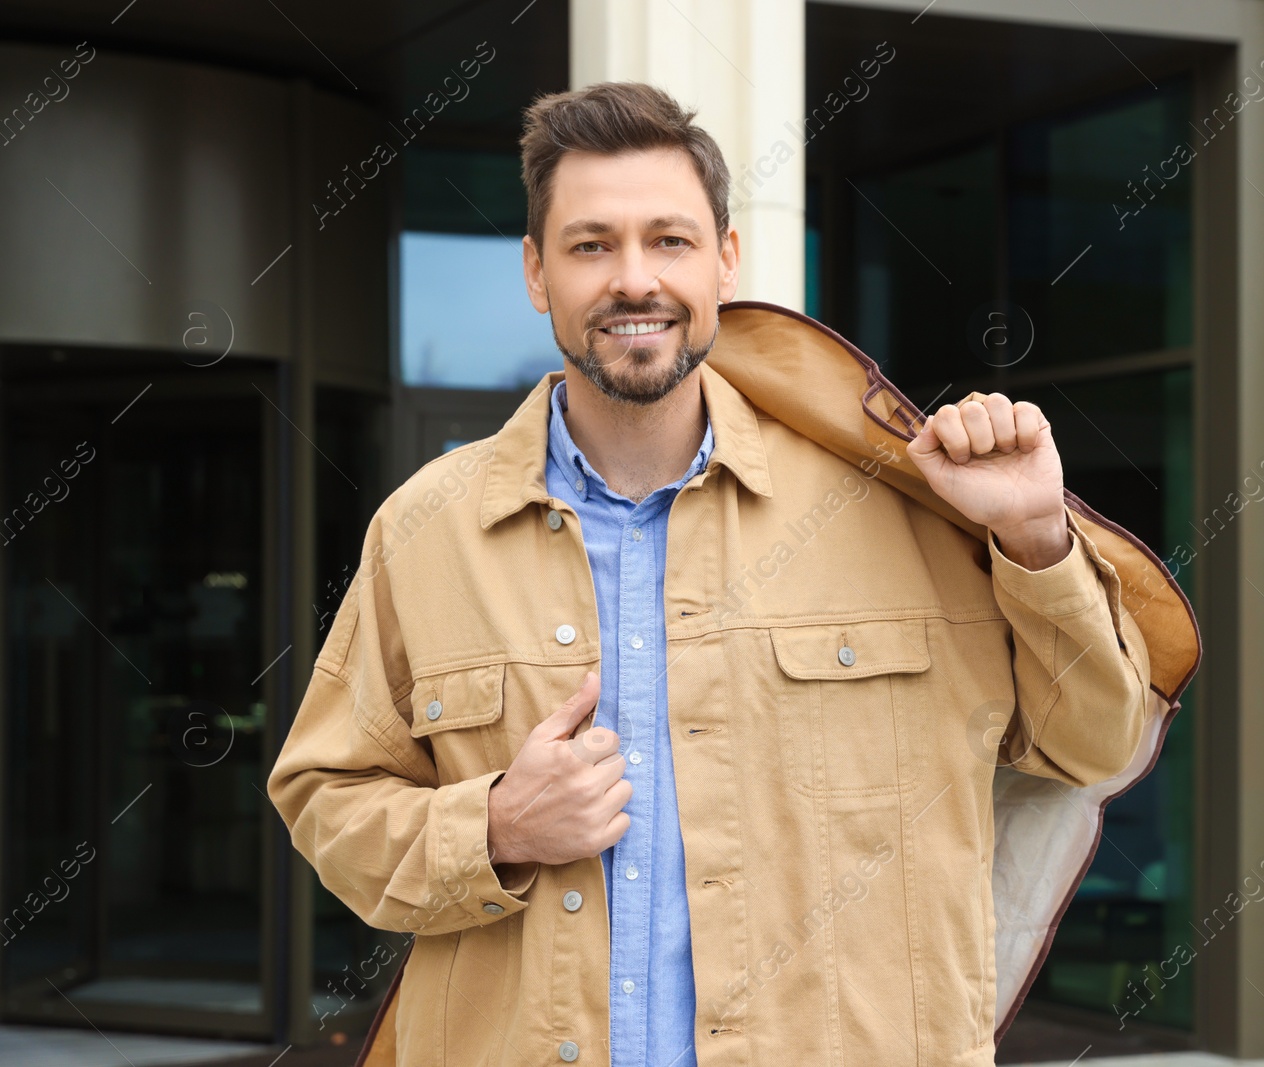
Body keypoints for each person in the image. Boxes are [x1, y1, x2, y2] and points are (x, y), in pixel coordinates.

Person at [268, 80, 1167, 1067]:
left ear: (725, 258)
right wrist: (492, 825)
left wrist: (1038, 538)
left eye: (670, 240)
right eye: (589, 244)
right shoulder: (425, 528)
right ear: (535, 272)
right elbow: (328, 797)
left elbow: (1093, 742)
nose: (633, 279)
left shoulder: (901, 507)